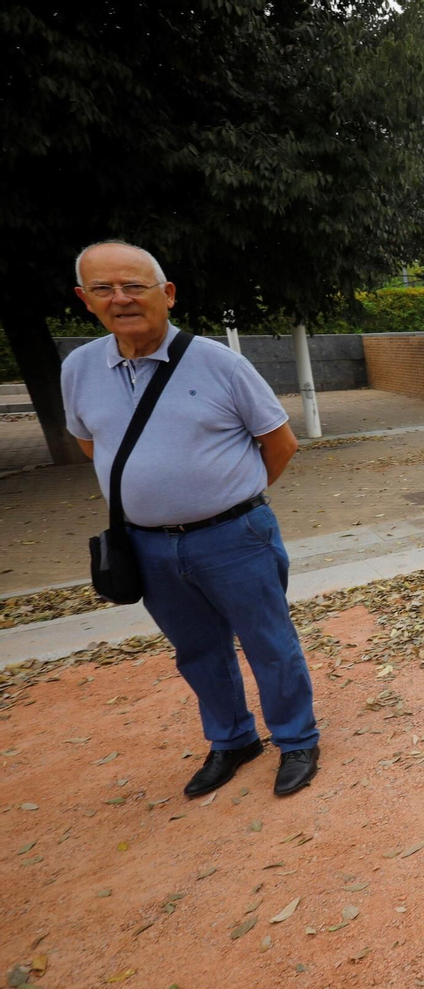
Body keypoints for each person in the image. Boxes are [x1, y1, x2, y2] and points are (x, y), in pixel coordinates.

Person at [61, 241, 321, 797]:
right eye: (104, 289)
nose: (122, 299)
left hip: (235, 537)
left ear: (168, 294)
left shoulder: (220, 363)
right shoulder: (78, 368)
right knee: (197, 649)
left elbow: (280, 444)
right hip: (147, 545)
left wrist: (232, 498)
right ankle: (232, 740)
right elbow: (91, 446)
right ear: (85, 300)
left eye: (135, 286)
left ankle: (296, 738)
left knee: (268, 642)